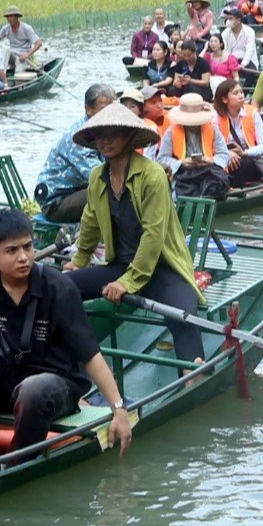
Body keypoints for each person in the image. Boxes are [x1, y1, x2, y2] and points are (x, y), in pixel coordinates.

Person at [0, 208, 131, 458]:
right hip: (4, 378)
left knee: (32, 389)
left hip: (57, 385)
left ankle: (17, 464)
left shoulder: (59, 288)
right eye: (12, 250)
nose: (24, 257)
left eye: (28, 247)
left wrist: (118, 409)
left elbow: (91, 355)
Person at [65, 102, 204, 362]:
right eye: (100, 135)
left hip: (162, 268)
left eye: (113, 134)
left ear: (129, 137)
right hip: (121, 266)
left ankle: (191, 376)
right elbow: (91, 222)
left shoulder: (152, 176)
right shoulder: (98, 176)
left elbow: (153, 234)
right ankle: (77, 357)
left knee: (184, 317)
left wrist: (126, 283)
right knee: (62, 288)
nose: (105, 141)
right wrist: (79, 261)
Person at [34, 84, 119, 222]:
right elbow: (98, 175)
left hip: (77, 190)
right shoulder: (79, 136)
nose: (110, 114)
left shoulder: (101, 129)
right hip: (56, 202)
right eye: (104, 109)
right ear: (89, 109)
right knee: (108, 191)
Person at [215, 81, 263, 191]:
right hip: (227, 157)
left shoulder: (253, 113)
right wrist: (227, 153)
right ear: (225, 99)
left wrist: (244, 153)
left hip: (252, 160)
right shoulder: (216, 117)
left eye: (241, 92)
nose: (241, 96)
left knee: (238, 163)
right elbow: (212, 144)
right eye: (235, 93)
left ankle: (237, 192)